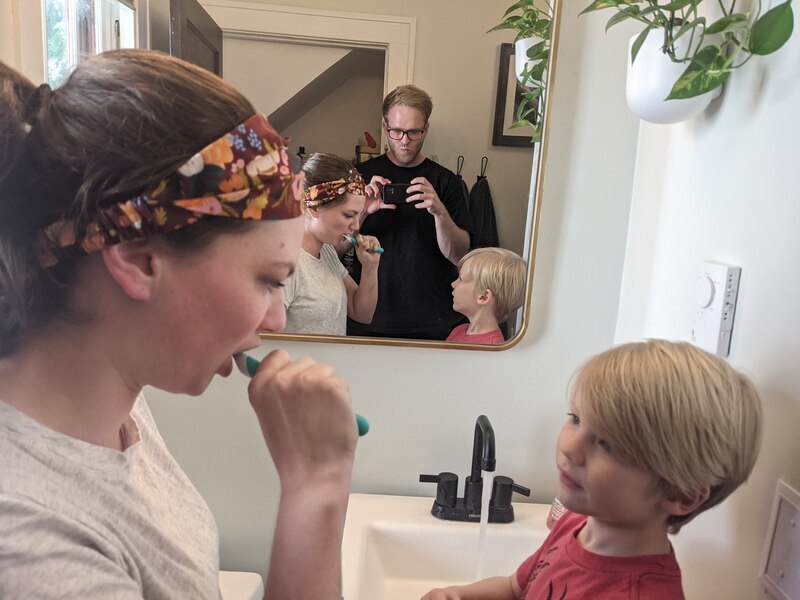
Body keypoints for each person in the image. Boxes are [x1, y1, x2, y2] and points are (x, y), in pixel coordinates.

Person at [0, 50, 358, 599]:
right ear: (140, 260)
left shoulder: (120, 409)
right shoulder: (31, 548)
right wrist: (317, 487)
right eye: (268, 279)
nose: (277, 317)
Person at [422, 340, 763, 599]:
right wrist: (458, 594)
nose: (571, 448)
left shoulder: (639, 593)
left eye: (609, 444)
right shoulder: (576, 523)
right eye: (575, 419)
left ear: (681, 495)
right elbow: (516, 587)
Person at [348, 84, 472, 340]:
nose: (404, 141)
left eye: (414, 132)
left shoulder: (447, 182)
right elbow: (333, 249)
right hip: (369, 317)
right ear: (385, 128)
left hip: (433, 319)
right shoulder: (360, 178)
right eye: (397, 131)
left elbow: (460, 256)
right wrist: (363, 213)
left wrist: (439, 212)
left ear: (426, 129)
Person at [283, 153, 382, 335]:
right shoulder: (285, 266)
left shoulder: (327, 252)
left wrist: (370, 266)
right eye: (349, 215)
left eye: (359, 215)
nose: (356, 226)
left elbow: (362, 314)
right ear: (314, 207)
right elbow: (261, 341)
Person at [447, 247, 526, 345]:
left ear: (483, 297)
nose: (453, 284)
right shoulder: (458, 330)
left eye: (460, 279)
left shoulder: (492, 346)